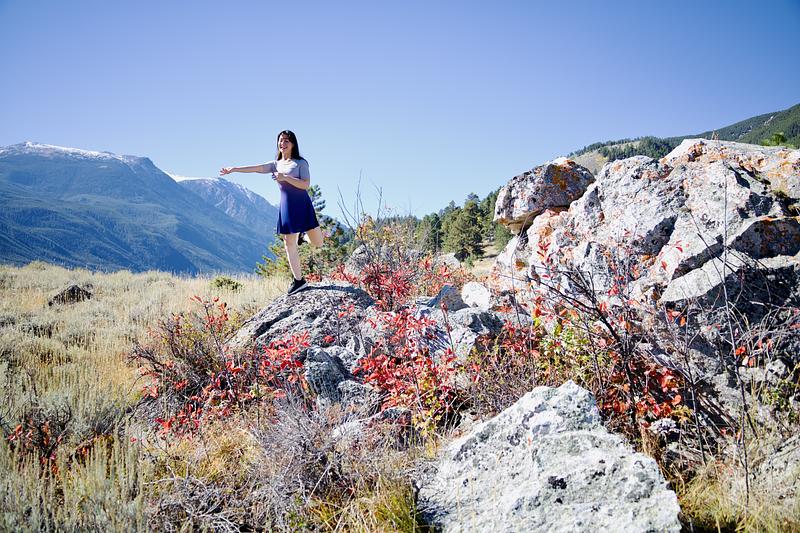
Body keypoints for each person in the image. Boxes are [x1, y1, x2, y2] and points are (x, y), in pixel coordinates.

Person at [220, 130, 324, 294]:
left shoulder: (300, 163)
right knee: (288, 242)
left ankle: (303, 237)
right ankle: (299, 281)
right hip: (287, 207)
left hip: (302, 205)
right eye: (281, 140)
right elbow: (257, 168)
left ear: (293, 144)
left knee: (318, 243)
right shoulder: (275, 164)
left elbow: (305, 184)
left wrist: (285, 177)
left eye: (287, 140)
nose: (283, 143)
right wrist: (234, 169)